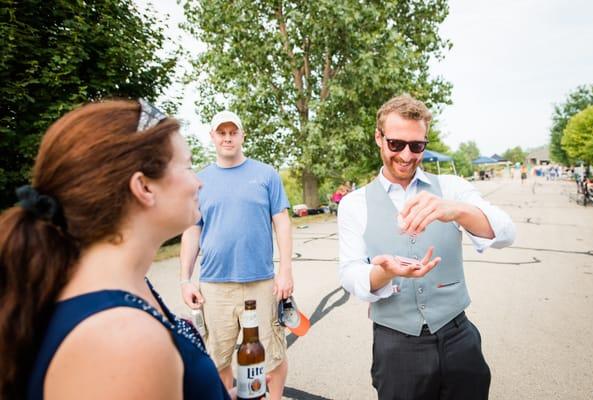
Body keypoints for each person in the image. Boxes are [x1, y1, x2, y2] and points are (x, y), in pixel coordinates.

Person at [0, 100, 232, 399]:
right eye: (187, 166)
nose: (198, 182)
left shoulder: (128, 286)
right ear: (144, 187)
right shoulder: (122, 342)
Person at [337, 94, 516, 400]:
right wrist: (384, 273)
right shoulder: (355, 203)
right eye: (396, 144)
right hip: (396, 346)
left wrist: (456, 210)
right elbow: (351, 273)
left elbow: (506, 232)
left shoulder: (450, 188)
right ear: (379, 138)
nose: (407, 155)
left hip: (458, 337)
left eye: (417, 146)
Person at [179, 111, 293, 400]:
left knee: (272, 354)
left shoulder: (265, 174)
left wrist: (285, 271)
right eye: (222, 132)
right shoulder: (199, 182)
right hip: (215, 287)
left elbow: (282, 222)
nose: (228, 137)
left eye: (233, 132)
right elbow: (192, 231)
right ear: (213, 137)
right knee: (218, 357)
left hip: (261, 282)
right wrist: (185, 280)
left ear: (242, 135)